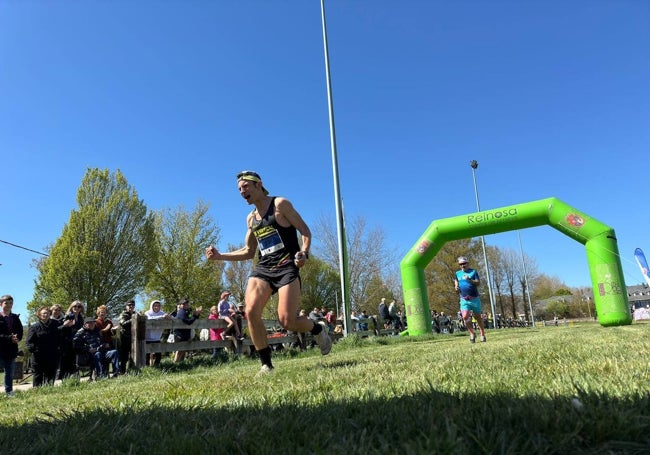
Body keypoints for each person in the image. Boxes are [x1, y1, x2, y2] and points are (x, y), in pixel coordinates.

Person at [206, 170, 331, 374]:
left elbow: (305, 232)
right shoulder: (251, 219)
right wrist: (220, 256)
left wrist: (304, 254)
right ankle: (266, 365)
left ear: (258, 185)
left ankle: (317, 329)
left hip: (287, 267)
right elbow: (248, 252)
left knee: (287, 321)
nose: (241, 191)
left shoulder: (280, 204)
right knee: (251, 311)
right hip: (264, 268)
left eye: (245, 186)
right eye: (239, 189)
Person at [26, 306, 71, 387]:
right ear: (39, 315)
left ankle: (49, 392)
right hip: (38, 356)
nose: (45, 315)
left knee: (50, 376)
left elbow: (63, 335)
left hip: (53, 355)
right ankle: (36, 393)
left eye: (47, 313)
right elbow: (29, 343)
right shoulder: (34, 327)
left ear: (50, 314)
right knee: (38, 376)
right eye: (43, 313)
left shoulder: (56, 324)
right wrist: (36, 351)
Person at [453, 256, 487, 343]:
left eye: (464, 264)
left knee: (478, 317)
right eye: (460, 264)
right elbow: (456, 281)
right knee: (465, 316)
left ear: (468, 263)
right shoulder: (457, 273)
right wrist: (456, 286)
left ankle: (482, 334)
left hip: (474, 298)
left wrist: (470, 280)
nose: (462, 266)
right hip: (464, 299)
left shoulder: (473, 272)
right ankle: (472, 333)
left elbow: (478, 283)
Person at [0, 295, 24, 396]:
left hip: (11, 350)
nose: (8, 305)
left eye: (10, 303)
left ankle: (9, 392)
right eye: (6, 303)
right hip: (0, 349)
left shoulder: (15, 317)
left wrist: (17, 338)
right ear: (1, 304)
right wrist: (9, 338)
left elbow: (20, 331)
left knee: (9, 373)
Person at [58, 300, 86, 379]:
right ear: (71, 307)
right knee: (66, 362)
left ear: (81, 308)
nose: (76, 308)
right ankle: (64, 379)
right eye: (75, 306)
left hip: (77, 342)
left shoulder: (81, 318)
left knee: (74, 362)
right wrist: (65, 325)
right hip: (67, 343)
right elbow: (59, 330)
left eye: (79, 306)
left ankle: (73, 380)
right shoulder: (67, 316)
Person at [173, 298, 202, 363]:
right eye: (183, 304)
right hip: (180, 334)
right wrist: (195, 315)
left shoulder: (187, 311)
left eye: (186, 304)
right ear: (180, 305)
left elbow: (192, 320)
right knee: (179, 350)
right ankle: (175, 363)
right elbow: (188, 322)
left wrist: (196, 314)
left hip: (184, 334)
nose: (184, 305)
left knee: (182, 350)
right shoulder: (181, 312)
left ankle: (179, 363)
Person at [144, 300, 169, 366]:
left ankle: (156, 366)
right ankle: (146, 367)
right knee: (147, 354)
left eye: (158, 306)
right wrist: (162, 317)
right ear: (152, 306)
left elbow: (169, 317)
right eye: (155, 306)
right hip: (148, 338)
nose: (156, 307)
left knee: (158, 354)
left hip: (157, 337)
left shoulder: (162, 313)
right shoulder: (147, 313)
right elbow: (149, 318)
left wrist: (168, 317)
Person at [117, 300, 136, 374]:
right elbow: (123, 324)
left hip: (134, 338)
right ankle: (122, 371)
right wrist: (133, 319)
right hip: (125, 337)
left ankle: (131, 370)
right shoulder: (123, 314)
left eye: (132, 305)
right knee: (124, 356)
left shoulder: (135, 314)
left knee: (133, 355)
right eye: (129, 305)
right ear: (126, 306)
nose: (131, 306)